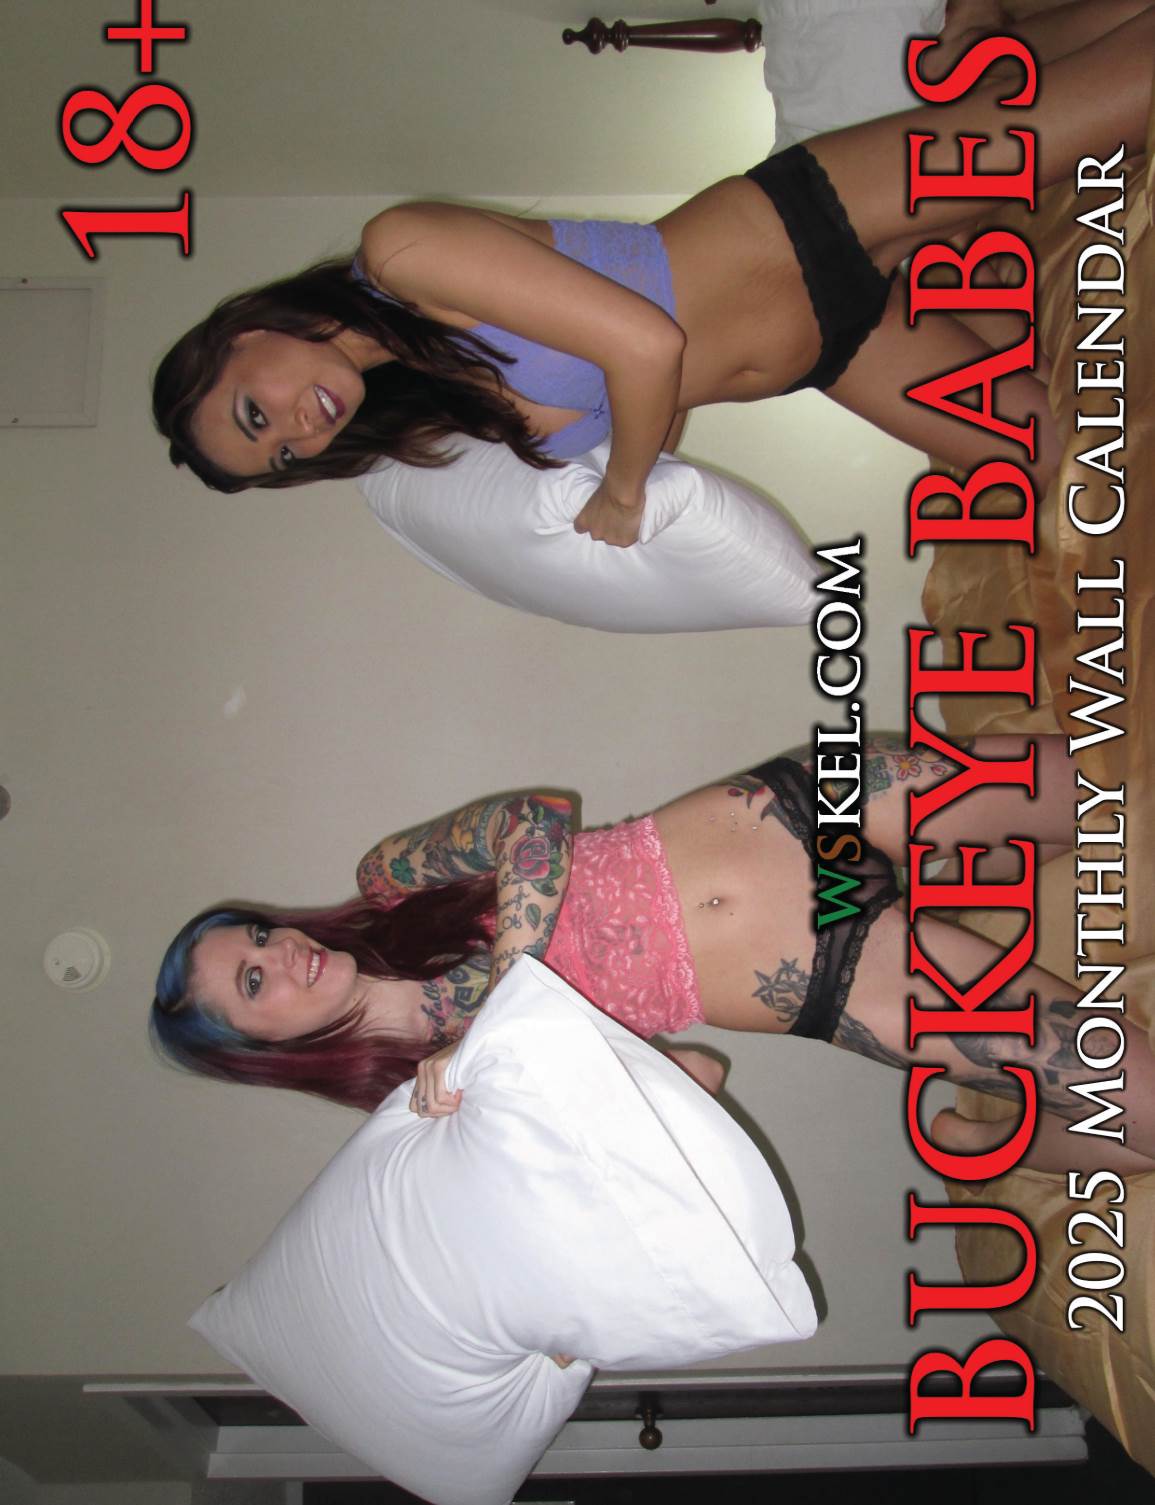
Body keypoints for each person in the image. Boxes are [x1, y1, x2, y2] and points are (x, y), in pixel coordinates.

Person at [153, 2, 1155, 545]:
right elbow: (658, 388)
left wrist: (626, 491)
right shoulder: (431, 389)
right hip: (831, 350)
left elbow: (647, 340)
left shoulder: (401, 253)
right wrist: (642, 468)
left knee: (1115, 99)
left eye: (256, 413)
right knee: (1069, 465)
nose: (298, 431)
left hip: (811, 224)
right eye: (281, 456)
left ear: (244, 336)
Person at [152, 734, 1155, 1177]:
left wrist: (502, 1008)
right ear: (264, 1050)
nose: (282, 949)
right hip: (834, 978)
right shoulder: (434, 1100)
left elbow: (536, 819)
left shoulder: (389, 880)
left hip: (798, 810)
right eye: (253, 979)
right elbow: (696, 1075)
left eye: (257, 932)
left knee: (1120, 788)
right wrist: (524, 1076)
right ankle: (994, 1140)